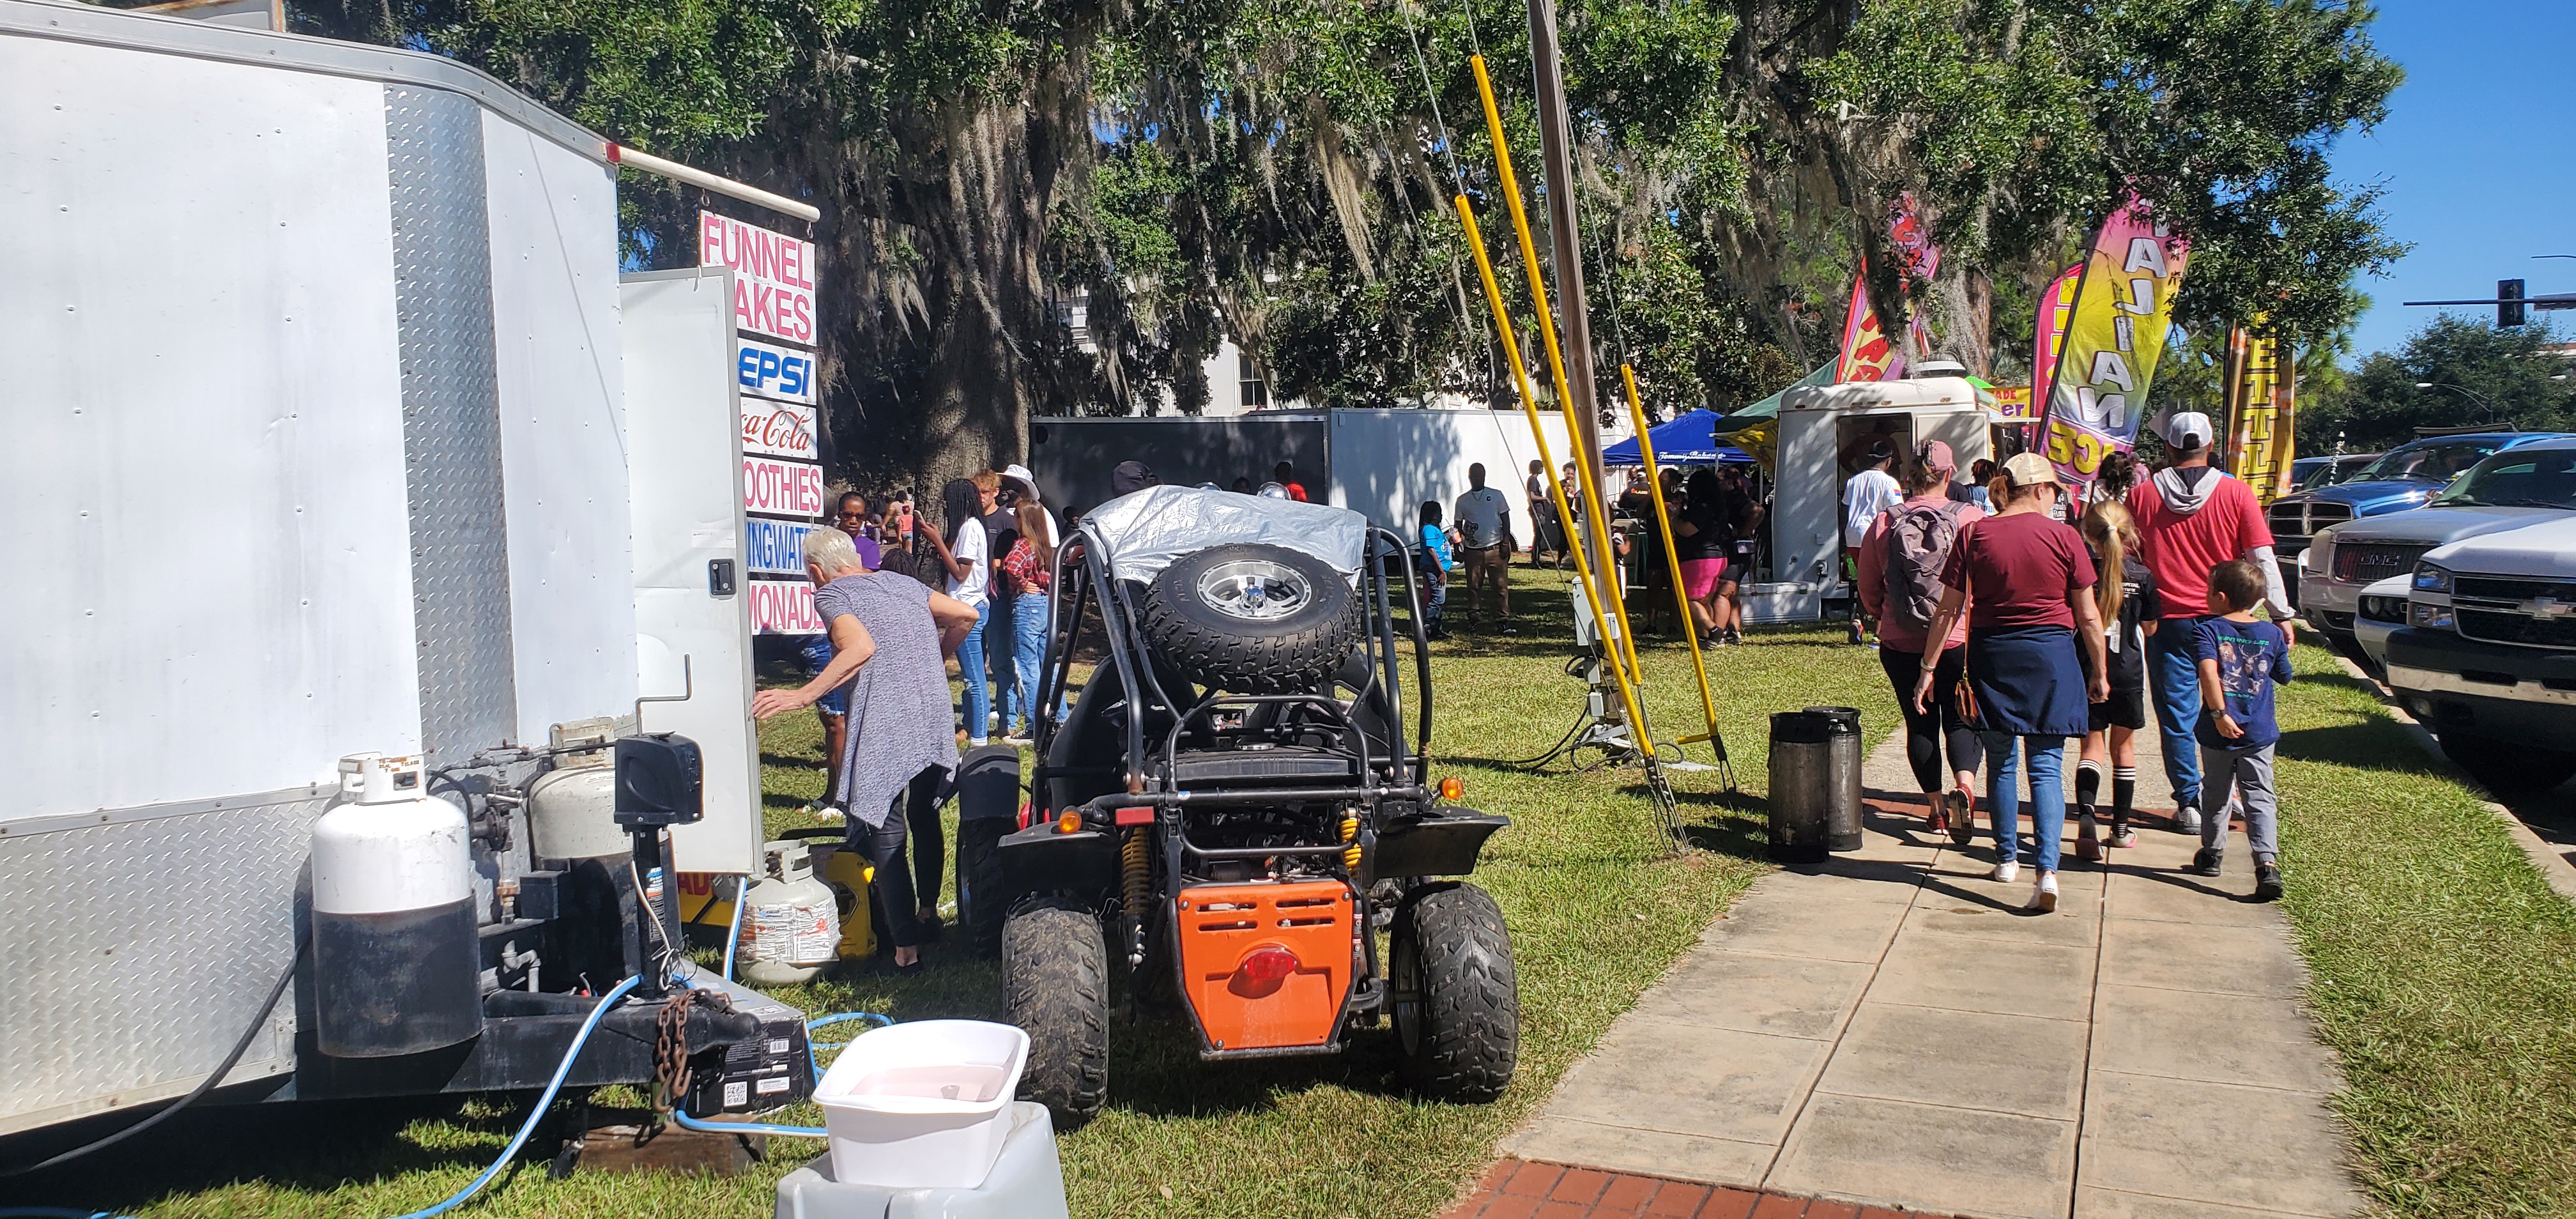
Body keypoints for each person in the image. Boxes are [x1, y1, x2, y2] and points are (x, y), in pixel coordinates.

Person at [751, 528, 977, 972]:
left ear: (816, 572)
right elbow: (965, 615)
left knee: (886, 826)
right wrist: (934, 656)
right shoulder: (902, 582)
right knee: (924, 814)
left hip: (887, 720)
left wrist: (801, 695)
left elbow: (860, 647)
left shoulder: (832, 596)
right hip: (932, 713)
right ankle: (928, 913)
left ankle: (906, 949)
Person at [1913, 453, 2110, 913]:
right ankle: (2046, 871)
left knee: (2000, 761)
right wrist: (2098, 671)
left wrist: (1927, 668)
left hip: (1993, 654)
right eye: (2055, 492)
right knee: (2044, 767)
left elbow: (1948, 609)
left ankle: (2005, 859)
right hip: (2052, 657)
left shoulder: (1975, 532)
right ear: (2040, 489)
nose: (2055, 499)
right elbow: (2088, 615)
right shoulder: (2066, 537)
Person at [2126, 412, 2294, 835]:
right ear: (2211, 442)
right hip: (2230, 623)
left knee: (2177, 716)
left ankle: (2189, 803)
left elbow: (2127, 560)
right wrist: (2280, 614)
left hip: (2168, 623)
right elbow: (2262, 558)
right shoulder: (2237, 494)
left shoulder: (2142, 497)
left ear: (2167, 446)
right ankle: (2228, 793)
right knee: (2233, 706)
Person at [1860, 440, 1985, 838]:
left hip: (1901, 640)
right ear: (1950, 475)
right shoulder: (1972, 518)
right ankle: (1964, 786)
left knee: (1920, 723)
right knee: (1962, 717)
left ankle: (1935, 810)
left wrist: (1883, 613)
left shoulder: (1885, 521)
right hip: (1956, 640)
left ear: (1909, 475)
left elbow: (1867, 584)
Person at [2194, 560, 2292, 901]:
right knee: (2260, 795)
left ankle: (2212, 853)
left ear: (2221, 597)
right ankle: (2266, 864)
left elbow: (2209, 673)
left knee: (2217, 792)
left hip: (2217, 729)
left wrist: (2219, 713)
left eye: (2209, 591)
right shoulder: (2272, 634)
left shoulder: (2207, 629)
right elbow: (2284, 675)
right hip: (2260, 731)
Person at [2071, 497, 2156, 859]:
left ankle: (2086, 821)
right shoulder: (2142, 575)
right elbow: (2150, 627)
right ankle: (2120, 829)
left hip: (2088, 666)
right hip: (2128, 668)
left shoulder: (2080, 572)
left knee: (2091, 749)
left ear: (2087, 535)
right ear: (2128, 534)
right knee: (2123, 750)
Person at [923, 479, 992, 746]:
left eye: (946, 501)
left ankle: (980, 739)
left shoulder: (970, 528)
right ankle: (975, 730)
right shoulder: (971, 527)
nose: (944, 506)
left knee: (974, 680)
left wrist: (937, 541)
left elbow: (961, 573)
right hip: (972, 606)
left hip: (969, 610)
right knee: (972, 678)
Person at [995, 501, 1057, 745]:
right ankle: (1060, 717)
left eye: (1017, 516)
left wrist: (1020, 583)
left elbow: (1011, 566)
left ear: (1024, 521)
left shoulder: (1023, 544)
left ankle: (1034, 724)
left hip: (1027, 605)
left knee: (1028, 666)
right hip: (1044, 604)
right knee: (1047, 665)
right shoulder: (1045, 546)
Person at [1843, 443, 1903, 643]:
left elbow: (1844, 509)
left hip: (1852, 536)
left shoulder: (1853, 481)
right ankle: (1879, 632)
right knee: (1883, 582)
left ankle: (1858, 620)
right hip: (1875, 535)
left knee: (1862, 581)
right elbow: (1897, 512)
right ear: (1888, 461)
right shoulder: (1889, 482)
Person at [1453, 463, 1515, 632]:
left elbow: (1506, 519)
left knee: (1500, 586)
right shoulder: (1462, 501)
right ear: (1470, 477)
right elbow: (1457, 526)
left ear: (1485, 476)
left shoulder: (1496, 496)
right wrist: (1458, 544)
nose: (1477, 479)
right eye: (1474, 476)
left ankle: (1502, 619)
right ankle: (1475, 618)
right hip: (1473, 551)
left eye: (1480, 476)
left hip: (1494, 548)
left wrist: (1505, 542)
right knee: (1473, 586)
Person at [1673, 468, 1729, 643]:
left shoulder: (1700, 508)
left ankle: (1713, 629)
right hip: (1718, 555)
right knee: (1705, 600)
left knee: (1689, 599)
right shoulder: (1717, 507)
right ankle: (1707, 639)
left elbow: (1688, 530)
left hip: (1699, 558)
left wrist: (1674, 518)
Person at [1415, 500, 1452, 639]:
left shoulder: (1434, 530)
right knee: (1437, 598)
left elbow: (1439, 546)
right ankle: (1428, 628)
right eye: (1439, 513)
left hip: (1438, 568)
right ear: (1433, 515)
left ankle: (1437, 629)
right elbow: (1431, 549)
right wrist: (1441, 571)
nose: (1441, 516)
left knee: (1438, 598)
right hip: (1433, 569)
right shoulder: (1429, 529)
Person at [1525, 459, 1556, 566]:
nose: (1542, 469)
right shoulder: (1533, 480)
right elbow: (1532, 496)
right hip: (1537, 511)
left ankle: (1537, 559)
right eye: (1541, 467)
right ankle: (1535, 560)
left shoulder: (1535, 480)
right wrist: (1545, 499)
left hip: (1540, 511)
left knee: (1539, 536)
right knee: (1538, 535)